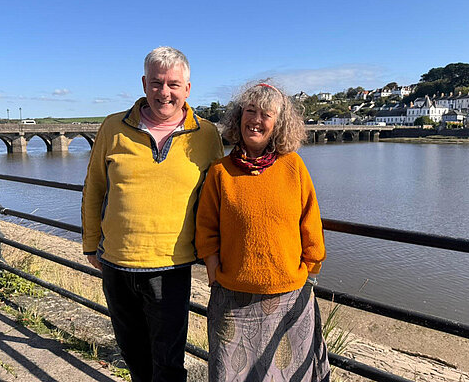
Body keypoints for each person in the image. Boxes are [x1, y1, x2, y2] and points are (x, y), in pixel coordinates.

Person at [81, 46, 223, 382]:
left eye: (174, 84)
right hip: (115, 262)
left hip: (170, 266)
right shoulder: (113, 127)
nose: (165, 92)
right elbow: (95, 188)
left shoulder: (206, 134)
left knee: (169, 361)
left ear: (187, 89)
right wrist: (90, 244)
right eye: (157, 83)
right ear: (144, 83)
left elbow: (219, 197)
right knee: (133, 354)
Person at [196, 82, 330, 381]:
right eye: (250, 111)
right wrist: (214, 267)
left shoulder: (293, 166)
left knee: (288, 374)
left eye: (266, 114)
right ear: (238, 116)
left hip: (288, 294)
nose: (255, 119)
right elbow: (205, 228)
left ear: (278, 124)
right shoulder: (220, 172)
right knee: (230, 373)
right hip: (233, 298)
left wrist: (310, 268)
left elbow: (311, 222)